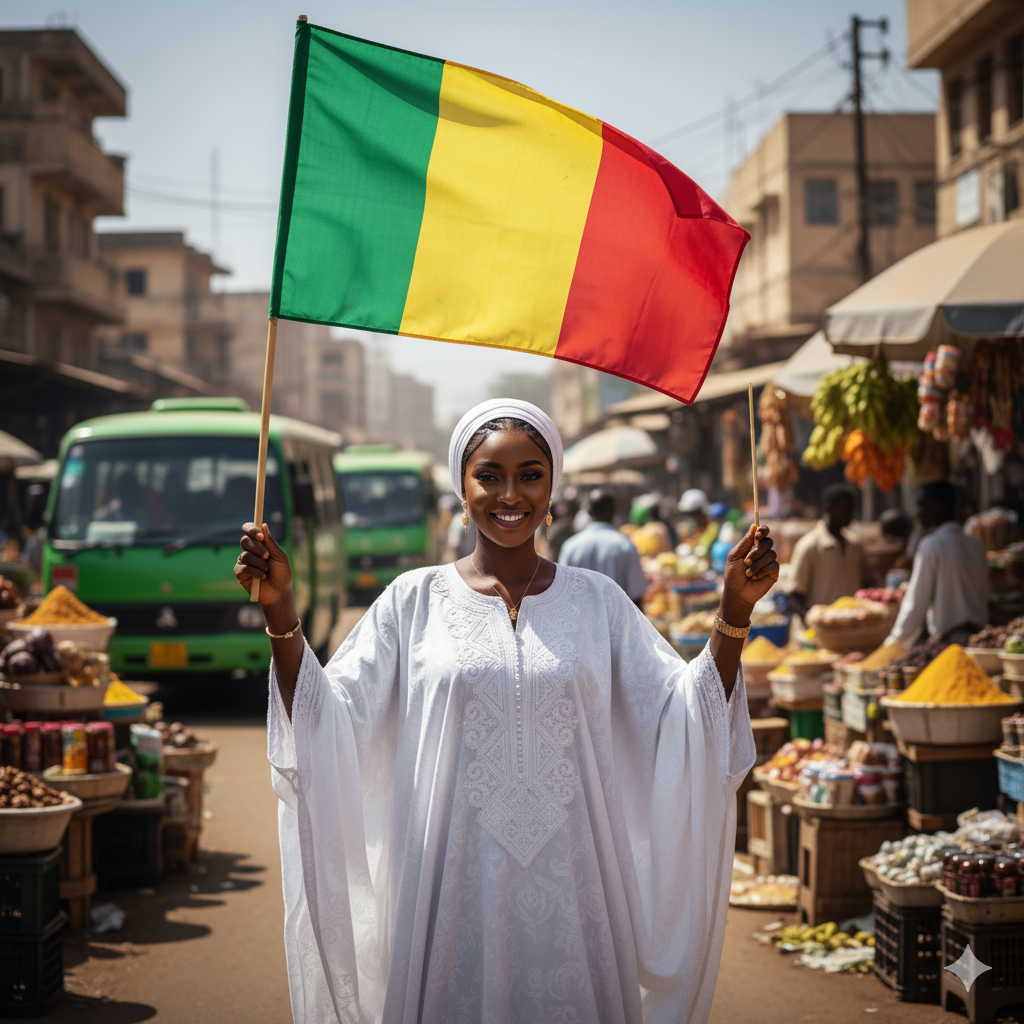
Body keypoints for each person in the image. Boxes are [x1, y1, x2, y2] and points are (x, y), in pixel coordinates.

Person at [235, 397, 778, 1024]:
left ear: (553, 489)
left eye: (530, 474)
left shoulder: (598, 603)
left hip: (580, 906)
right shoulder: (413, 602)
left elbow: (682, 722)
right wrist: (281, 611)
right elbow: (330, 723)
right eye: (488, 475)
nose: (509, 493)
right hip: (448, 903)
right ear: (461, 489)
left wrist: (734, 611)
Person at [886, 481, 989, 647]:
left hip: (948, 643)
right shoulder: (976, 546)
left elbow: (916, 602)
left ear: (939, 506)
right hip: (980, 641)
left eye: (921, 505)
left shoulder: (932, 545)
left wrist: (894, 643)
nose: (917, 512)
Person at [787, 483, 867, 620]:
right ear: (829, 509)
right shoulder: (809, 547)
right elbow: (795, 596)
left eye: (851, 510)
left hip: (853, 626)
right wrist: (812, 622)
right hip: (822, 632)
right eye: (845, 510)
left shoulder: (855, 545)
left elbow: (866, 582)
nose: (850, 515)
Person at [558, 488, 648, 605]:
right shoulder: (625, 545)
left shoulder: (571, 546)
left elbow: (562, 591)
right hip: (617, 620)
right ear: (613, 511)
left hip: (580, 620)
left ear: (589, 512)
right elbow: (636, 594)